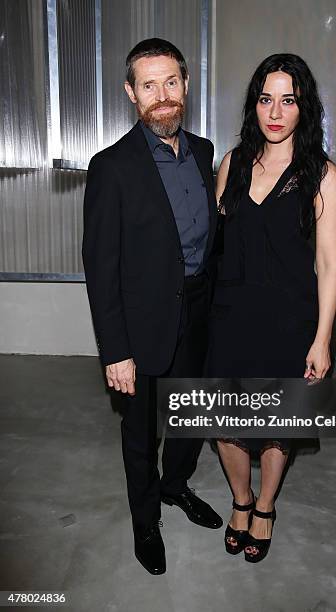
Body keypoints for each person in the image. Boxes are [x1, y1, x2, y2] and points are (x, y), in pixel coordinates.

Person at [82, 38, 222, 576]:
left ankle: (176, 487)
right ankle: (146, 519)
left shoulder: (206, 153)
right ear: (130, 93)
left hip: (199, 314)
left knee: (188, 416)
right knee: (140, 429)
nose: (162, 97)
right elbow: (101, 267)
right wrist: (114, 350)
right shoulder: (111, 167)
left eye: (171, 83)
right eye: (148, 86)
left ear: (186, 86)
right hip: (140, 327)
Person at [205, 53, 336, 563]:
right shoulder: (233, 164)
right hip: (230, 317)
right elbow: (215, 245)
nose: (276, 111)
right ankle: (240, 500)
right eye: (266, 98)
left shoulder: (322, 176)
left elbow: (330, 264)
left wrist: (322, 339)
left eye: (289, 100)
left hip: (288, 321)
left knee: (274, 425)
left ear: (304, 108)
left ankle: (264, 507)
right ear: (254, 105)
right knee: (225, 422)